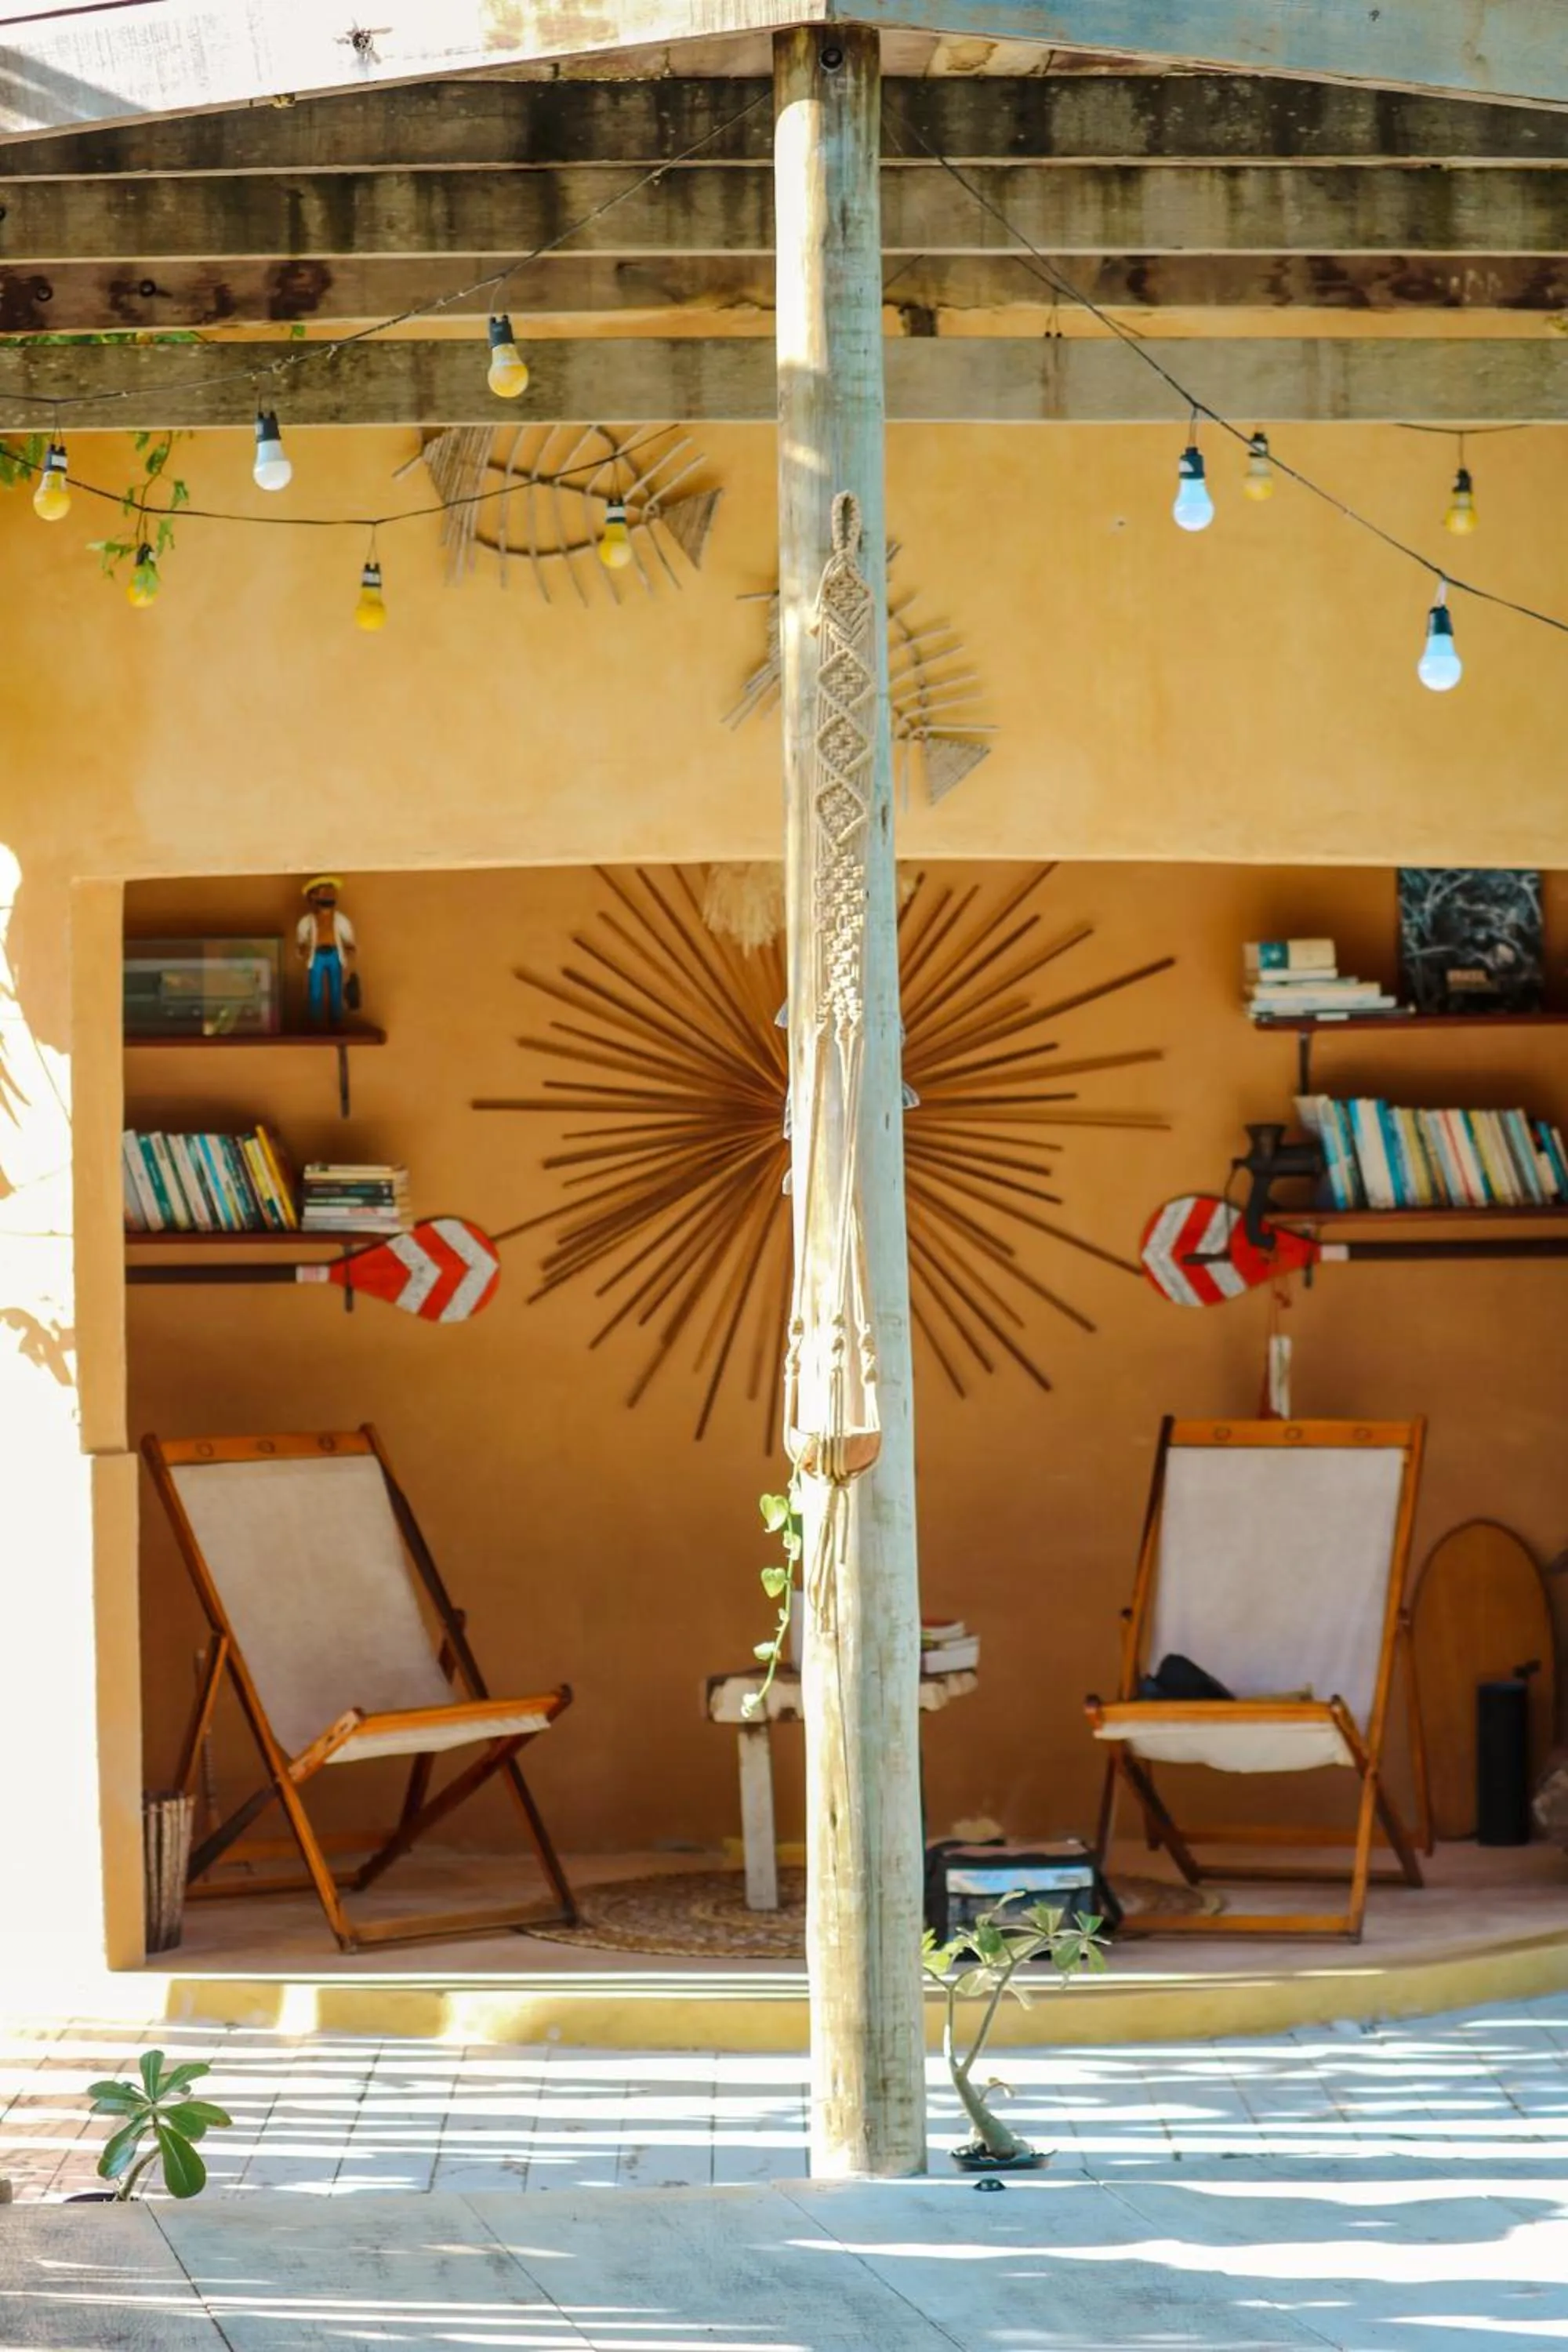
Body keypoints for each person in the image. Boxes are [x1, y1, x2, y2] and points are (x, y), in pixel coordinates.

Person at [296, 877, 358, 1029]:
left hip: (334, 954)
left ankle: (336, 1020)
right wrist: (302, 947)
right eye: (323, 894)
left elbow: (347, 932)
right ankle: (315, 1021)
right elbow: (301, 936)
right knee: (315, 989)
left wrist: (350, 945)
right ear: (313, 897)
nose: (328, 898)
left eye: (330, 894)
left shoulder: (339, 919)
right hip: (316, 955)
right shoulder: (308, 920)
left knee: (335, 988)